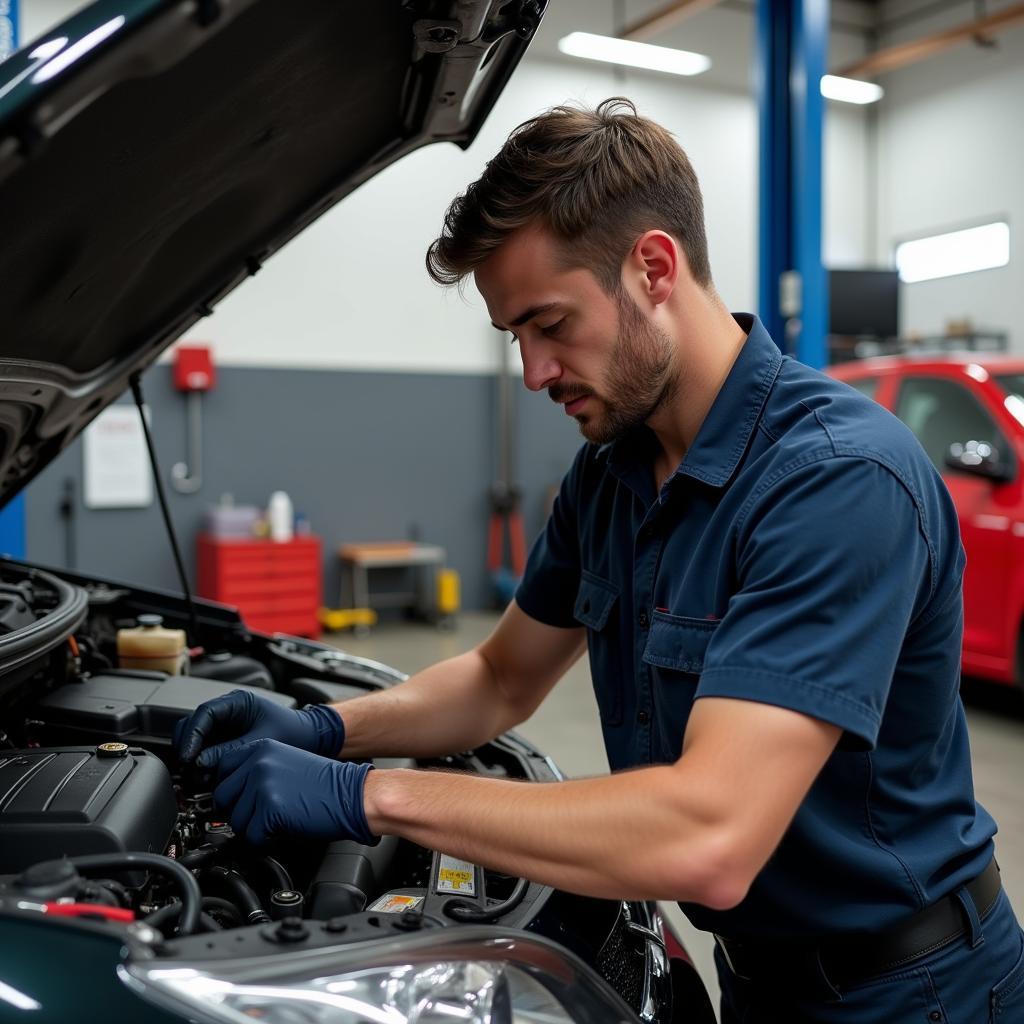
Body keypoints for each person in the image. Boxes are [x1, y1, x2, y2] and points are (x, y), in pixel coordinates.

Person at [174, 99, 1024, 1021]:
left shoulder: (834, 481)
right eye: (515, 339)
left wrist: (364, 796)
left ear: (653, 267)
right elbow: (500, 678)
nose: (536, 372)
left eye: (550, 324)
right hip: (760, 980)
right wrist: (325, 731)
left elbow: (712, 835)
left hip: (911, 992)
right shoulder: (610, 476)